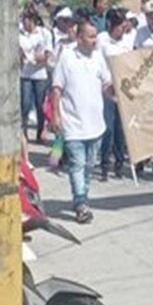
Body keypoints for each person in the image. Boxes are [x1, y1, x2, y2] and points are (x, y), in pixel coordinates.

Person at [49, 21, 112, 224]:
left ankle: (81, 197)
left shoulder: (98, 57)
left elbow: (107, 84)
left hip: (95, 125)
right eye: (91, 36)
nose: (95, 40)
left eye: (95, 36)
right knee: (77, 164)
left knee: (88, 166)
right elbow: (56, 89)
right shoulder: (67, 57)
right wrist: (56, 116)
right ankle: (81, 202)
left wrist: (119, 93)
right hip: (73, 124)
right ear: (80, 37)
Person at [96, 9, 134, 180]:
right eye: (117, 24)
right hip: (107, 88)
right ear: (111, 24)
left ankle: (119, 164)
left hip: (123, 89)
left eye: (122, 24)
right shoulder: (102, 39)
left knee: (121, 129)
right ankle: (105, 163)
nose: (121, 28)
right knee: (108, 128)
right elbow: (98, 61)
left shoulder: (127, 41)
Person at [19, 10, 53, 145]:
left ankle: (40, 132)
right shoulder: (19, 34)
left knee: (40, 105)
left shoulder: (44, 34)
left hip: (40, 74)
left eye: (26, 19)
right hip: (25, 74)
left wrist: (34, 58)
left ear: (32, 20)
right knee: (25, 104)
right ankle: (24, 133)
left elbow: (48, 54)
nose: (24, 22)